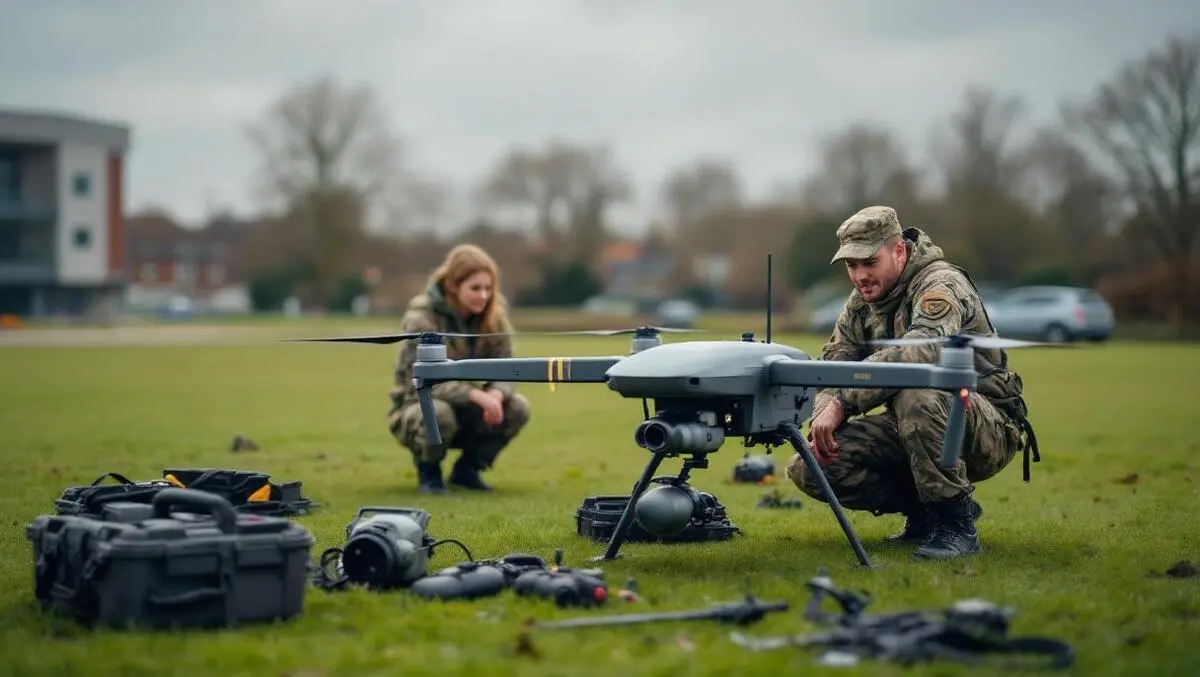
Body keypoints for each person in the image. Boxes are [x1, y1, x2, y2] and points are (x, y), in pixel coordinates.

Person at [785, 206, 1036, 560]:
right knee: (812, 468)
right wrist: (825, 406)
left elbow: (919, 354)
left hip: (983, 423)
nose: (860, 275)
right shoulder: (861, 305)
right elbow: (834, 363)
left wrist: (844, 401)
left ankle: (955, 524)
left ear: (899, 251)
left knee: (917, 391)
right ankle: (923, 513)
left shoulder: (940, 285)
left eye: (869, 262)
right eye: (851, 266)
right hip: (914, 424)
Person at [387, 244, 532, 493]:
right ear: (453, 286)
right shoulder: (421, 318)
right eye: (475, 288)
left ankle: (468, 470)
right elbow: (425, 379)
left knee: (517, 407)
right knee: (439, 413)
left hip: (466, 407)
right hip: (418, 405)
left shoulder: (495, 319)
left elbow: (507, 366)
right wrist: (476, 396)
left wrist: (496, 394)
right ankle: (429, 470)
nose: (484, 295)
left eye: (488, 288)